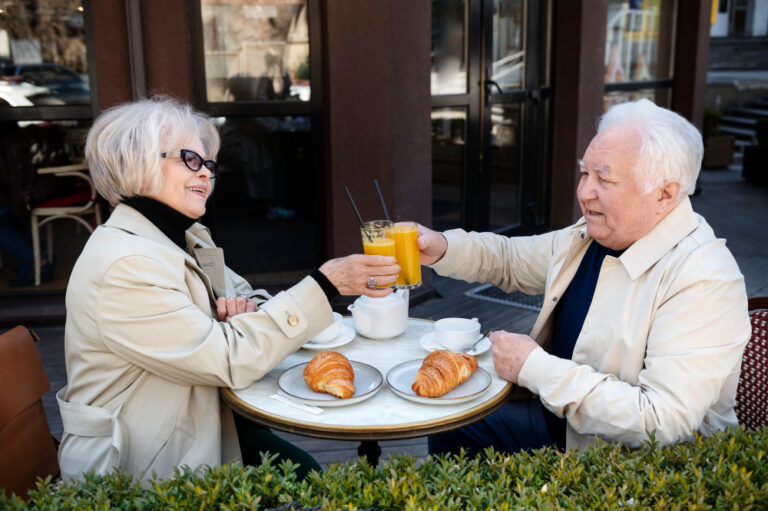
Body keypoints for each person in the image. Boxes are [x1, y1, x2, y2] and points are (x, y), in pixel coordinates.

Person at [56, 96, 401, 482]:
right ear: (138, 161)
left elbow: (251, 299)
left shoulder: (186, 236)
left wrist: (244, 319)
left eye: (208, 164)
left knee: (306, 473)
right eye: (190, 160)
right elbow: (231, 359)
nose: (206, 173)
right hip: (143, 463)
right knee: (308, 478)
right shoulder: (126, 264)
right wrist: (327, 283)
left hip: (203, 423)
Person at [418, 99, 751, 456]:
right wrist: (440, 247)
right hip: (563, 424)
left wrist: (534, 367)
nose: (583, 192)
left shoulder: (704, 278)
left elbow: (661, 420)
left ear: (665, 194)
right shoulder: (595, 234)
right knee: (455, 422)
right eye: (584, 173)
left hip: (629, 468)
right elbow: (511, 260)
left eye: (604, 178)